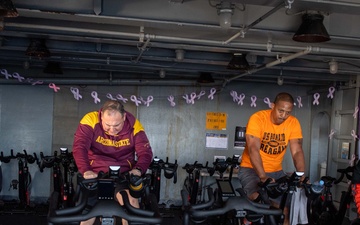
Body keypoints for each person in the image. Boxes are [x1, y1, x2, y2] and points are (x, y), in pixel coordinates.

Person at [72, 100, 153, 225]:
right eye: (107, 125)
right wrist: (86, 170)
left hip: (123, 173)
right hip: (95, 173)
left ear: (124, 117)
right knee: (86, 211)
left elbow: (146, 153)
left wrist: (138, 170)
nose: (111, 130)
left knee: (132, 205)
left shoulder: (134, 125)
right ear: (101, 116)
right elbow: (80, 147)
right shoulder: (90, 119)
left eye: (116, 125)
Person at [237, 92, 306, 225]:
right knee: (258, 199)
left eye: (288, 112)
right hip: (251, 169)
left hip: (276, 171)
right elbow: (253, 149)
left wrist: (301, 174)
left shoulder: (293, 123)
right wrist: (263, 176)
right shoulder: (258, 118)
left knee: (285, 208)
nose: (284, 116)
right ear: (272, 106)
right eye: (281, 111)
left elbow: (297, 150)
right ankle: (248, 219)